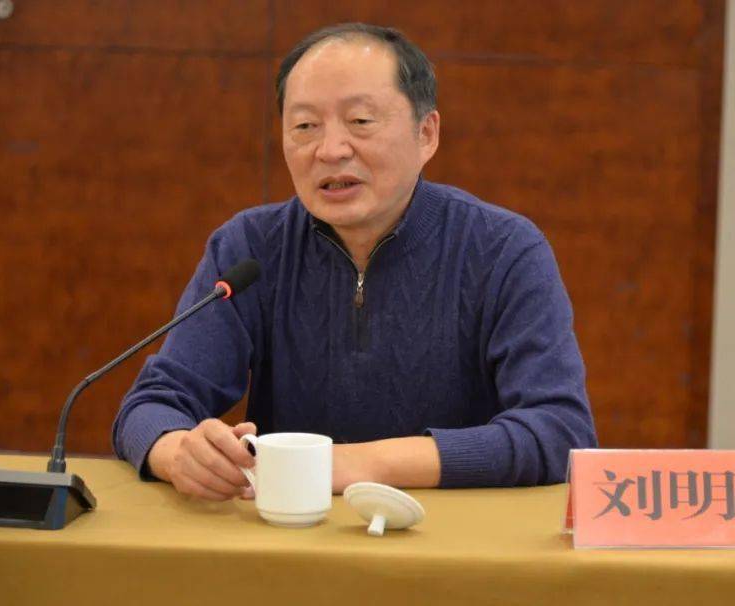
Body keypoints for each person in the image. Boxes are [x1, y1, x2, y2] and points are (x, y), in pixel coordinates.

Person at [112, 23, 596, 501]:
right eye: (305, 126)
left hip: (456, 541)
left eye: (361, 121)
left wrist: (358, 465)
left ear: (426, 134)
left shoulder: (503, 250)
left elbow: (560, 432)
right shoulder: (250, 248)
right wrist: (179, 453)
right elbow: (151, 406)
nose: (330, 150)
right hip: (292, 536)